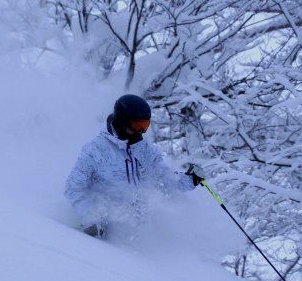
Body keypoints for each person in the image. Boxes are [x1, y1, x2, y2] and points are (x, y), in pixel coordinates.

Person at [64, 94, 205, 238]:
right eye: (138, 125)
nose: (141, 132)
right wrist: (91, 220)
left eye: (145, 126)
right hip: (104, 231)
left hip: (138, 232)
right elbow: (74, 188)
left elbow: (165, 178)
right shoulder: (96, 150)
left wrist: (189, 180)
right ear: (122, 121)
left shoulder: (145, 150)